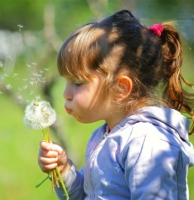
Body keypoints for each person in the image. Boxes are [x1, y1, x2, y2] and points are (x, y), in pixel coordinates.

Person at [38, 9, 194, 200]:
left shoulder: (147, 143)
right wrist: (64, 170)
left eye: (77, 83)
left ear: (120, 88)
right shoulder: (104, 136)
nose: (65, 93)